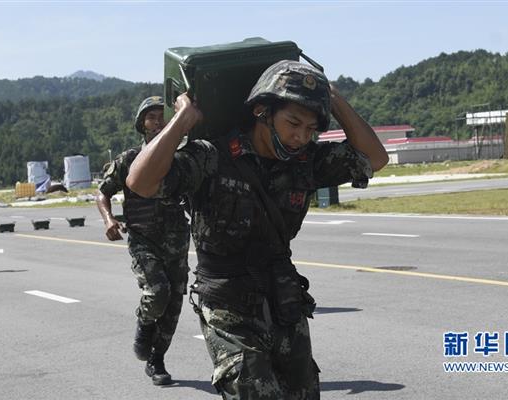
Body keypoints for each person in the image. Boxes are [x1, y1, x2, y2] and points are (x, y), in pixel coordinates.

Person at [126, 61, 388, 399]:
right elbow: (140, 181)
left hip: (284, 299)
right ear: (262, 112)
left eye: (310, 129)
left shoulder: (305, 161)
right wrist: (182, 120)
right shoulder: (213, 157)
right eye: (293, 123)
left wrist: (332, 97)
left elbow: (375, 157)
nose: (301, 136)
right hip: (227, 303)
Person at [96, 96, 190, 386]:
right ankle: (144, 324)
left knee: (173, 303)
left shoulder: (182, 159)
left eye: (162, 115)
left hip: (176, 241)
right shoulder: (128, 159)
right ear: (141, 124)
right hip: (143, 239)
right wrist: (109, 220)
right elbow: (103, 193)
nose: (158, 120)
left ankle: (156, 360)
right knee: (158, 291)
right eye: (151, 116)